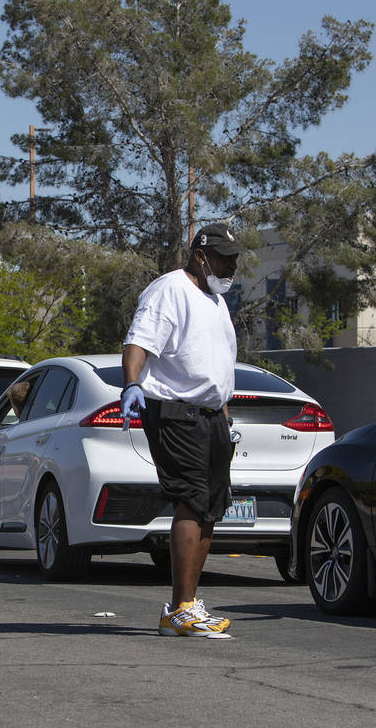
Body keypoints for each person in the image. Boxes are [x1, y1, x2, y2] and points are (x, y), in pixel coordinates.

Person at [121, 222, 241, 637]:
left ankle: (188, 603)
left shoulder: (215, 300)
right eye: (224, 257)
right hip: (176, 412)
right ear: (200, 254)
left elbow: (213, 361)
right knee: (191, 500)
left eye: (235, 259)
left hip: (210, 415)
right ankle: (178, 609)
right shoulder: (169, 289)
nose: (230, 265)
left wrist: (221, 409)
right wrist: (132, 384)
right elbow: (138, 342)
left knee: (210, 505)